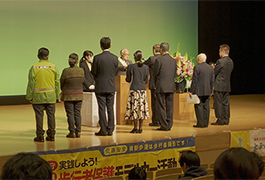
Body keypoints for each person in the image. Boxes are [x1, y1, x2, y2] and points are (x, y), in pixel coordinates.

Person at [26, 47, 60, 142]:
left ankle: (40, 136)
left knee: (39, 116)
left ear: (38, 56)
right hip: (51, 96)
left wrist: (29, 96)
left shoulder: (34, 68)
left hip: (38, 96)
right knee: (51, 116)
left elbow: (31, 84)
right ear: (48, 56)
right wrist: (57, 96)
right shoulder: (53, 67)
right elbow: (57, 82)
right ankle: (51, 135)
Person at [91, 37, 118, 136]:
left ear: (101, 46)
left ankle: (103, 129)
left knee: (101, 108)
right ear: (110, 46)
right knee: (110, 108)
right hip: (111, 86)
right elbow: (115, 71)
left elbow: (93, 72)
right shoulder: (115, 58)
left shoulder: (97, 58)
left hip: (100, 86)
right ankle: (110, 129)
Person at [60, 53, 84, 138]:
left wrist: (63, 90)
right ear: (77, 61)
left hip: (68, 95)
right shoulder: (81, 70)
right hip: (79, 95)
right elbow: (82, 80)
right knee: (77, 113)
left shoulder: (65, 71)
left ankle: (72, 132)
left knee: (70, 114)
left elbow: (62, 83)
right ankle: (78, 131)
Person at [125, 50, 150, 133]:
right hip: (142, 90)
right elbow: (146, 80)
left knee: (134, 108)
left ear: (134, 57)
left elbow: (128, 79)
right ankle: (141, 128)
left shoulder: (131, 66)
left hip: (134, 89)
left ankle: (135, 127)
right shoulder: (146, 67)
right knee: (141, 108)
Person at [154, 42, 177, 131]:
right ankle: (169, 124)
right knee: (170, 107)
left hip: (161, 86)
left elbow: (155, 74)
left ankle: (164, 125)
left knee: (160, 106)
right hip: (171, 86)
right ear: (169, 50)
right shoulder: (173, 61)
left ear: (161, 50)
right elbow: (174, 73)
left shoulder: (159, 60)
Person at [189, 53, 214, 128]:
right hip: (207, 90)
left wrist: (191, 91)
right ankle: (205, 123)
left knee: (198, 107)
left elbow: (195, 80)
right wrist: (211, 91)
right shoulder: (210, 68)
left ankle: (200, 123)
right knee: (206, 107)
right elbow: (212, 81)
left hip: (198, 90)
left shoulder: (197, 67)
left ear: (199, 59)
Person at [211, 44, 234, 125]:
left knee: (218, 103)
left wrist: (213, 68)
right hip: (227, 85)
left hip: (219, 85)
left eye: (219, 51)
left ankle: (220, 119)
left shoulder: (220, 61)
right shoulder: (231, 61)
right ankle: (226, 119)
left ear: (223, 51)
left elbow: (215, 72)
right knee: (226, 103)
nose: (219, 53)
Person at [144, 44, 161, 127]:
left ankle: (155, 121)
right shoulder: (162, 59)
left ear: (154, 51)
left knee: (154, 104)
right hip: (161, 85)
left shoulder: (152, 59)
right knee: (161, 103)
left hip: (154, 84)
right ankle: (161, 120)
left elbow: (143, 64)